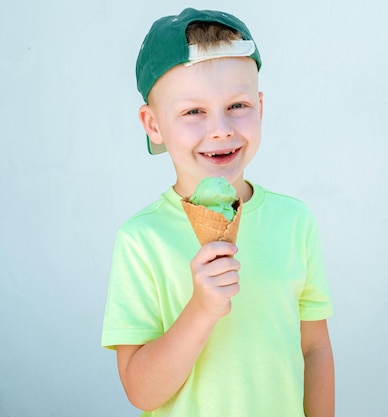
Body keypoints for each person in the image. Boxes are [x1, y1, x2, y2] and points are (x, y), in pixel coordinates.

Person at [101, 8, 334, 417]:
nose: (221, 128)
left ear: (260, 106)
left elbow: (314, 348)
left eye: (238, 105)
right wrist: (202, 309)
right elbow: (140, 392)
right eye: (193, 112)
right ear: (153, 125)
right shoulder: (141, 240)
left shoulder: (295, 221)